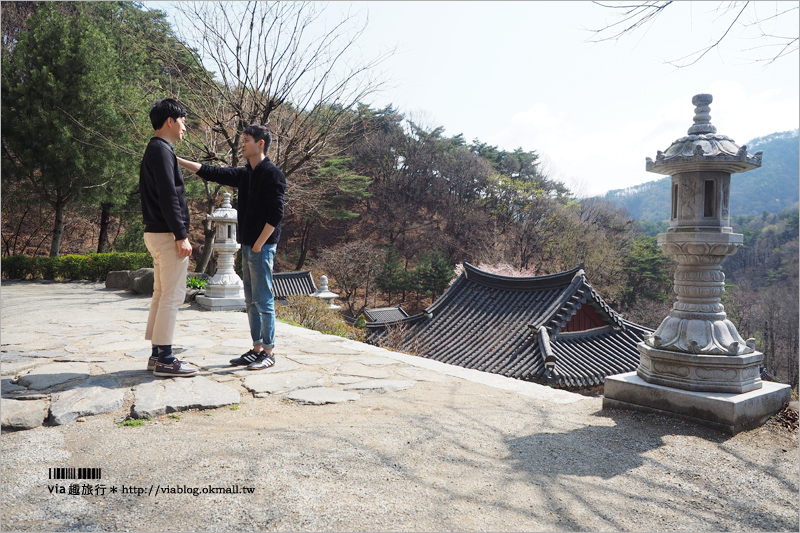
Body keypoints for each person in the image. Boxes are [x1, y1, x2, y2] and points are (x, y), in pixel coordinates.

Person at [177, 124, 286, 370]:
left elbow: (276, 214)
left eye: (246, 140)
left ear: (261, 144)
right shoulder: (246, 173)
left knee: (264, 299)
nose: (242, 144)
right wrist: (178, 160)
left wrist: (258, 244)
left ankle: (268, 351)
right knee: (250, 300)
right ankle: (257, 348)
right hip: (248, 245)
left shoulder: (273, 174)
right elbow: (212, 171)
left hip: (262, 247)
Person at [139, 98, 198, 377]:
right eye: (183, 121)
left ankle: (156, 355)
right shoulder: (162, 151)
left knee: (161, 294)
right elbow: (168, 196)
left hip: (155, 231)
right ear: (170, 121)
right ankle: (165, 358)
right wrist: (181, 234)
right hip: (166, 233)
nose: (185, 127)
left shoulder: (157, 150)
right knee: (172, 296)